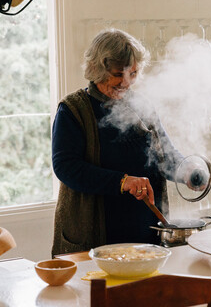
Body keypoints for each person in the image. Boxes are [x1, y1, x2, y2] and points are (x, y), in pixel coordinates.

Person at [51, 28, 182, 256]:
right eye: (117, 74)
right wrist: (123, 181)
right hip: (94, 238)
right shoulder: (73, 110)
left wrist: (188, 171)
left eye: (132, 74)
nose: (126, 82)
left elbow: (165, 155)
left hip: (145, 234)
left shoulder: (142, 106)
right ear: (97, 69)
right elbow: (67, 168)